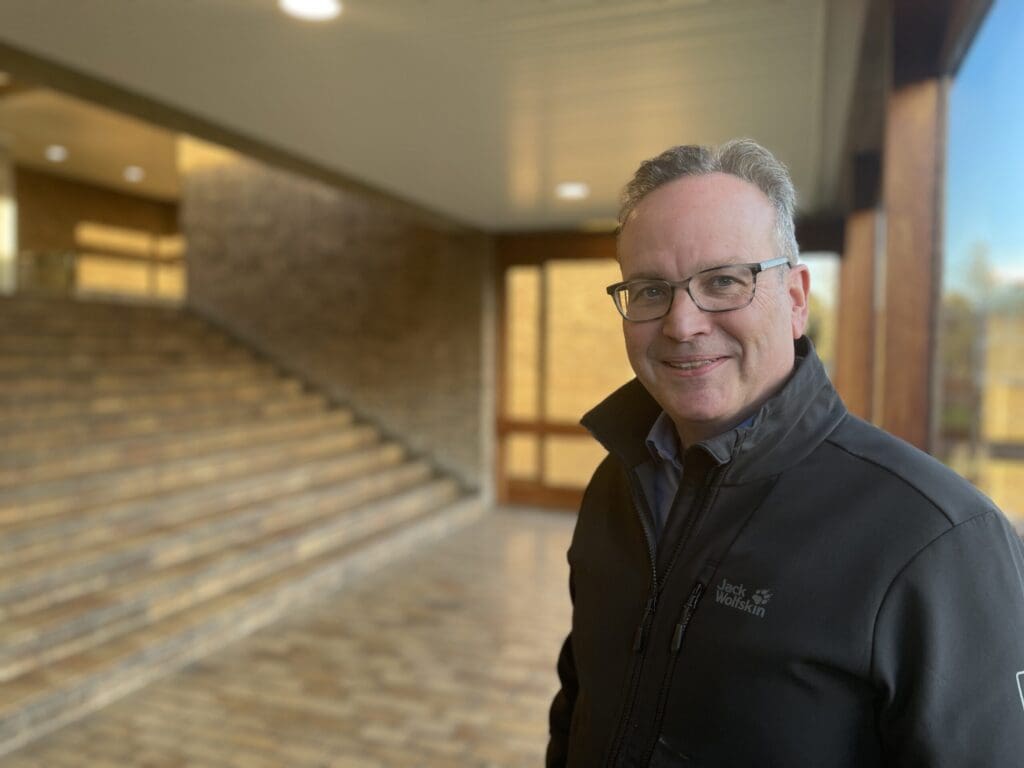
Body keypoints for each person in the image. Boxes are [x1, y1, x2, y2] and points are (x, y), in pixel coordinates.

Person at [546, 138, 1024, 767]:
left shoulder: (937, 537)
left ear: (796, 298)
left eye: (723, 281)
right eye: (650, 290)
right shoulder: (620, 480)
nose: (682, 324)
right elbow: (580, 699)